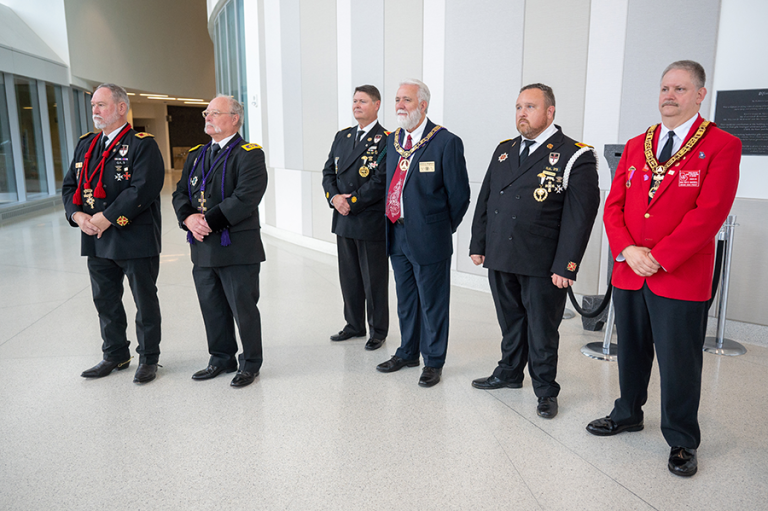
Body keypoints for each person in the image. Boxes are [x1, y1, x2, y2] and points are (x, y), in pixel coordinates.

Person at [587, 61, 741, 477]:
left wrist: (659, 256)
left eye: (679, 88)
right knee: (631, 352)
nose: (669, 95)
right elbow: (614, 205)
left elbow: (709, 213)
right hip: (630, 270)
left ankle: (682, 439)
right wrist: (628, 250)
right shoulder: (639, 144)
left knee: (679, 361)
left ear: (699, 95)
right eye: (664, 88)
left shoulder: (722, 145)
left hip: (678, 273)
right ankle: (627, 412)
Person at [469, 83, 600, 419]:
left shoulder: (575, 154)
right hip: (501, 254)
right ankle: (510, 372)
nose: (521, 114)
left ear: (550, 112)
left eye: (529, 107)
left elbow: (579, 218)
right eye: (518, 107)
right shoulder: (504, 149)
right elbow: (487, 198)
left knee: (542, 330)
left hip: (543, 262)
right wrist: (478, 243)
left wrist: (567, 266)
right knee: (510, 321)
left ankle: (545, 389)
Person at [62, 83, 164, 384]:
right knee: (104, 300)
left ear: (121, 108)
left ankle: (149, 358)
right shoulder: (86, 145)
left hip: (134, 237)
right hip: (96, 237)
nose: (95, 110)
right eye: (93, 105)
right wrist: (77, 215)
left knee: (144, 302)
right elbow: (71, 186)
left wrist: (107, 217)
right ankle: (115, 354)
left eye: (101, 105)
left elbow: (142, 189)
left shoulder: (142, 144)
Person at [375, 79, 470, 387]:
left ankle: (433, 360)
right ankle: (407, 352)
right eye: (397, 99)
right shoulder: (393, 141)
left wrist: (440, 228)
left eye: (407, 100)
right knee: (406, 299)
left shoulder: (445, 142)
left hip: (429, 236)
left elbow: (460, 195)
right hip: (397, 233)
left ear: (423, 105)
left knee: (433, 301)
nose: (400, 105)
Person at [171, 94, 268, 388]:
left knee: (243, 308)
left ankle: (250, 363)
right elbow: (179, 194)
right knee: (211, 306)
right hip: (202, 248)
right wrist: (188, 219)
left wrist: (207, 222)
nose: (207, 118)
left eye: (214, 113)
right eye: (206, 113)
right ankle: (220, 358)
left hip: (236, 247)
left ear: (234, 118)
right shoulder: (197, 154)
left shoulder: (249, 154)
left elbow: (245, 198)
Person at [322, 85, 389, 351]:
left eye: (362, 101)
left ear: (377, 105)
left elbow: (381, 180)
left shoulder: (386, 139)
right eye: (354, 101)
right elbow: (328, 172)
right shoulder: (343, 136)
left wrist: (352, 201)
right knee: (348, 276)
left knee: (373, 279)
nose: (356, 105)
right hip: (343, 218)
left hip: (368, 219)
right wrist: (334, 198)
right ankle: (354, 324)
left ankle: (378, 330)